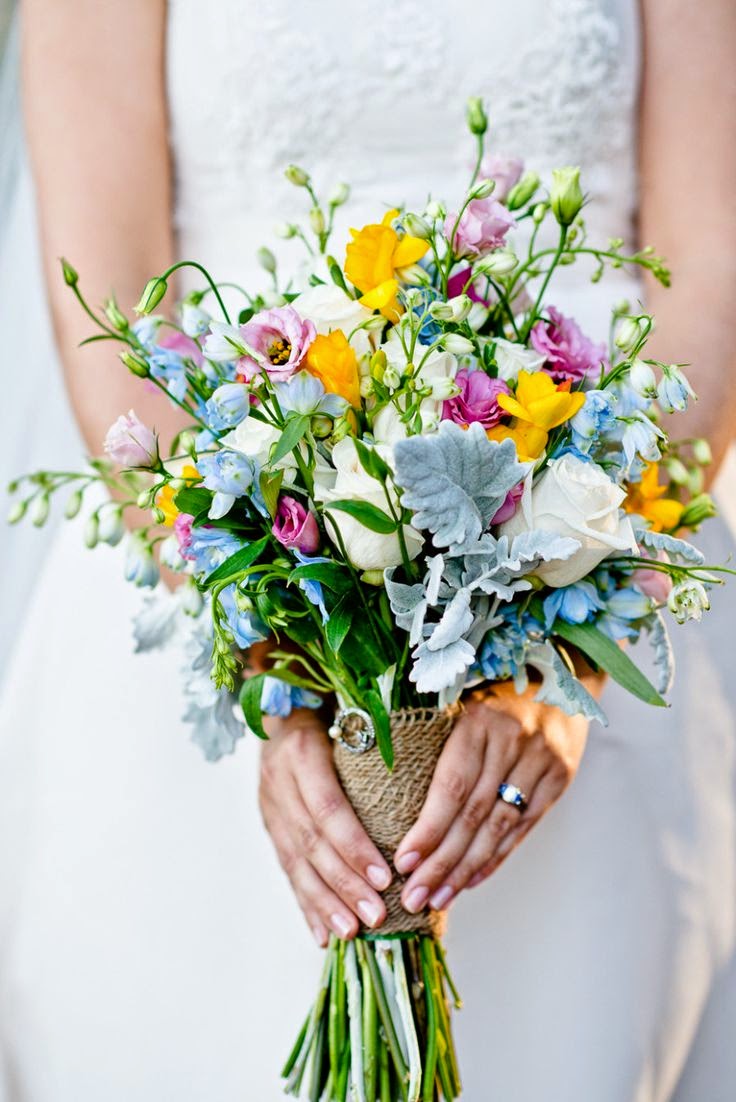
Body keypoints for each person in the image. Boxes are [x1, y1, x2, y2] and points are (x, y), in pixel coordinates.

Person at [1, 1, 734, 1099]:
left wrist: (558, 663)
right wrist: (283, 675)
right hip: (220, 582)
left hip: (597, 577)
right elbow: (113, 318)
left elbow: (709, 275)